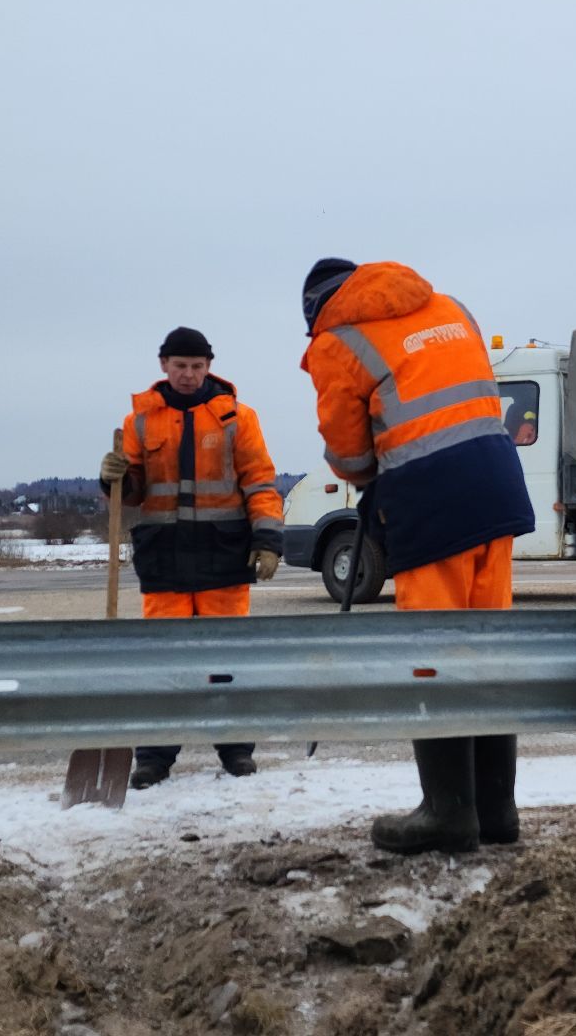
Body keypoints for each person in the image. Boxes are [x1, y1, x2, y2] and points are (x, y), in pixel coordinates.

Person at [300, 258, 535, 853]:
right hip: (497, 482)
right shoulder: (450, 307)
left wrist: (373, 475)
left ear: (316, 312)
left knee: (433, 652)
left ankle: (449, 814)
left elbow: (348, 452)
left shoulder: (337, 341)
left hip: (432, 501)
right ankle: (495, 809)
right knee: (488, 648)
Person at [100, 326, 284, 788]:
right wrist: (112, 479)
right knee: (166, 661)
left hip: (225, 553)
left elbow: (260, 483)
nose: (187, 375)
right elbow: (134, 493)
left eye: (196, 367)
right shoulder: (139, 422)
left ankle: (236, 750)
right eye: (180, 366)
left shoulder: (238, 419)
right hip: (164, 559)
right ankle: (155, 757)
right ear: (163, 365)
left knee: (226, 657)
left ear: (209, 367)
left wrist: (267, 540)